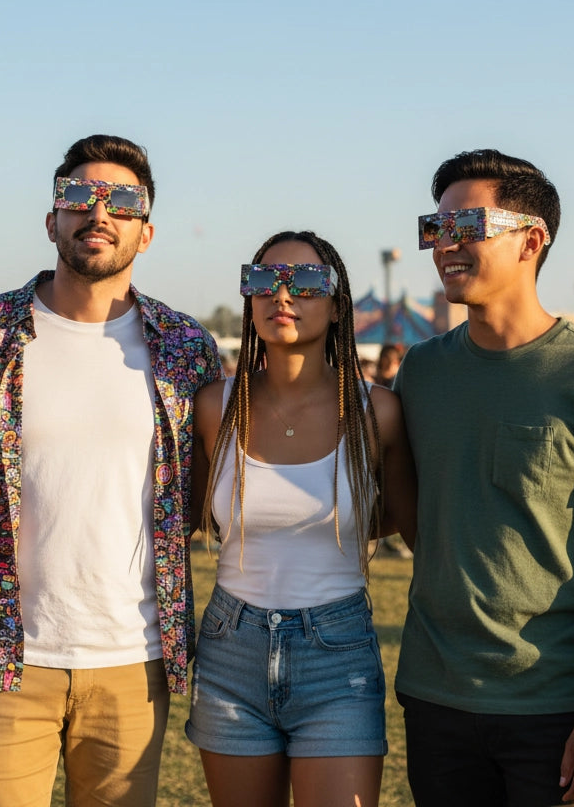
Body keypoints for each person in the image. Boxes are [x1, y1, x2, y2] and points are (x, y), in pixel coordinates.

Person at [0, 134, 222, 807]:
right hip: (1, 655)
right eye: (79, 196)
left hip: (134, 659)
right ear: (52, 219)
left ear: (147, 231)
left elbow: (200, 496)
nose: (99, 214)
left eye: (123, 202)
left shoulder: (187, 348)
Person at [393, 149, 574, 807]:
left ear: (531, 240)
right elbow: (414, 517)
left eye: (466, 227)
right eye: (436, 228)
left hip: (555, 705)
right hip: (434, 694)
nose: (445, 245)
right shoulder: (421, 373)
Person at [185, 230, 416, 807]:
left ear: (337, 305)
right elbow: (182, 515)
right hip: (230, 647)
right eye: (263, 280)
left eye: (306, 282)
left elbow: (407, 523)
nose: (281, 294)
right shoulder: (216, 406)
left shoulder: (377, 411)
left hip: (336, 655)